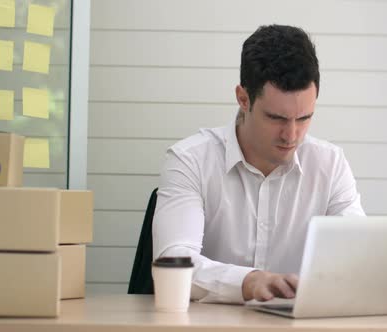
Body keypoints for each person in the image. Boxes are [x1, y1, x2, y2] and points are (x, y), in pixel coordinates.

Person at [152, 24, 365, 304]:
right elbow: (173, 264)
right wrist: (248, 282)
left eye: (304, 118)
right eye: (276, 118)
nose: (292, 135)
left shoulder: (330, 164)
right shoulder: (190, 160)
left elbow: (359, 256)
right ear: (243, 98)